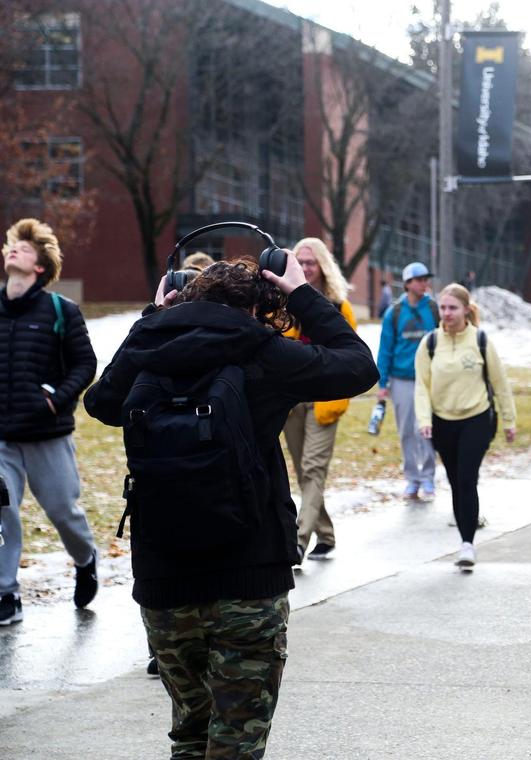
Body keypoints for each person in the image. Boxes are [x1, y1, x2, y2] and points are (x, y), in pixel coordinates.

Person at [84, 252, 377, 759]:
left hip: (163, 582)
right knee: (236, 742)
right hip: (249, 579)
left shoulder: (151, 345)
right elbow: (357, 365)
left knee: (190, 735)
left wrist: (154, 319)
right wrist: (302, 293)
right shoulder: (264, 352)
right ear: (260, 304)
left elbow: (101, 402)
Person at [0, 218, 99, 626]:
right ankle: (7, 594)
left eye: (23, 248)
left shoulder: (61, 311)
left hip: (47, 434)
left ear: (40, 266)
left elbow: (85, 364)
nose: (13, 251)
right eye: (11, 246)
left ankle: (85, 558)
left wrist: (57, 400)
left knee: (63, 511)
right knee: (3, 515)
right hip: (2, 438)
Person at [415, 284, 516, 570]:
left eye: (452, 308)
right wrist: (424, 420)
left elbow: (500, 384)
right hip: (442, 421)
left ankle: (467, 544)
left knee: (467, 478)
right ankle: (465, 536)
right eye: (443, 308)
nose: (446, 313)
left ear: (466, 310)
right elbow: (421, 386)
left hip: (476, 418)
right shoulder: (430, 344)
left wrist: (509, 421)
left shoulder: (481, 340)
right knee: (455, 480)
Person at [282, 238, 357, 561]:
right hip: (293, 398)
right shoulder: (282, 301)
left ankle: (298, 540)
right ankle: (325, 533)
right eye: (301, 262)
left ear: (323, 266)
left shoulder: (339, 305)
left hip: (324, 399)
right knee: (303, 470)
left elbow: (352, 355)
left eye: (311, 262)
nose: (306, 267)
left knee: (313, 468)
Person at [377, 262, 439, 500]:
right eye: (420, 279)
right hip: (400, 379)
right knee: (406, 431)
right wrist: (382, 384)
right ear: (408, 283)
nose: (425, 283)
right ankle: (412, 479)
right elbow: (385, 349)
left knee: (426, 429)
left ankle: (429, 479)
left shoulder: (433, 309)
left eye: (426, 279)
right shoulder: (394, 313)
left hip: (428, 379)